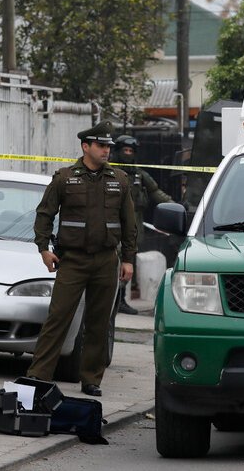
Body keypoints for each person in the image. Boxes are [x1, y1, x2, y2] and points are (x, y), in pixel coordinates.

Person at [26, 121, 137, 397]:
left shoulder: (119, 180)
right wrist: (43, 248)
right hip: (72, 261)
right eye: (101, 145)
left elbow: (129, 223)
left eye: (108, 146)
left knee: (98, 323)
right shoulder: (65, 178)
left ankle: (91, 379)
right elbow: (44, 214)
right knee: (58, 318)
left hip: (106, 261)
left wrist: (128, 259)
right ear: (85, 147)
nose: (106, 150)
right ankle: (39, 375)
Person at [111, 134, 173, 314]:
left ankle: (121, 299)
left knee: (128, 262)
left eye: (131, 151)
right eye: (125, 150)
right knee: (114, 262)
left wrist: (174, 204)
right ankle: (113, 299)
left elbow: (156, 192)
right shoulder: (109, 172)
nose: (128, 154)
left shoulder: (139, 175)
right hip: (114, 225)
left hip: (134, 226)